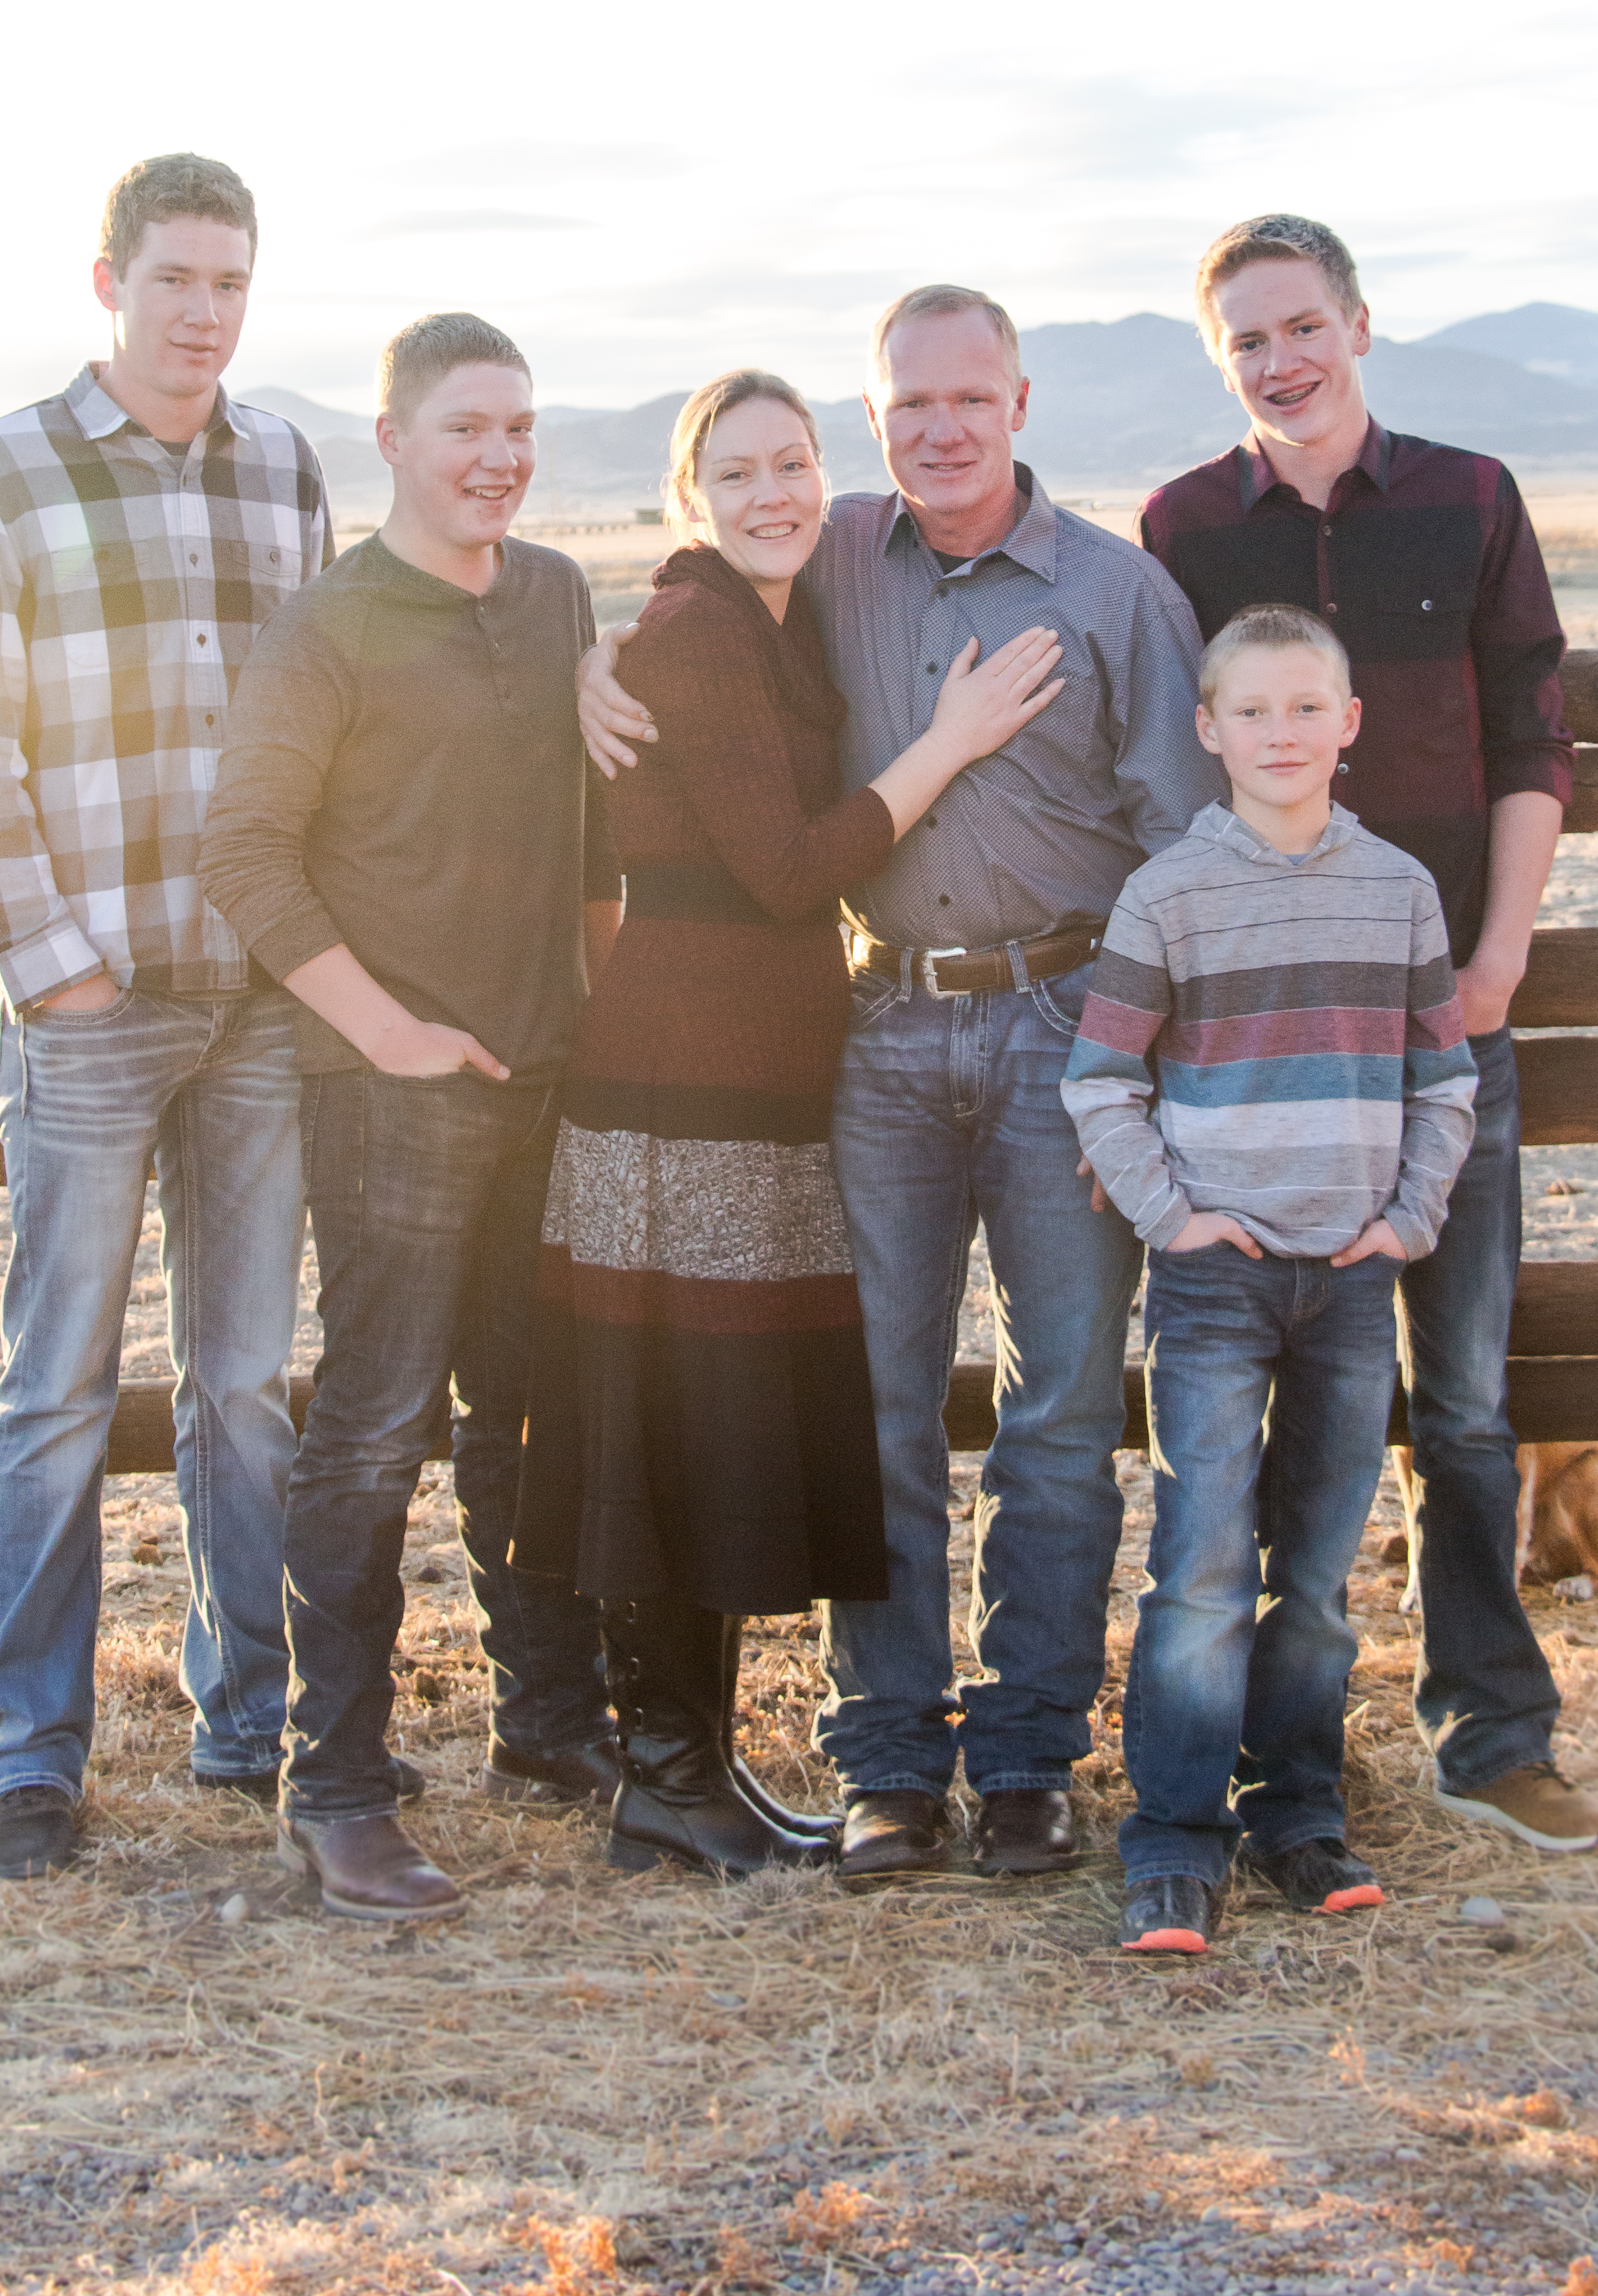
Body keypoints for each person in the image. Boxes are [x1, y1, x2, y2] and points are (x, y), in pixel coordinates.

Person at [580, 288, 1216, 1884]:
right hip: (883, 1028)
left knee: (1061, 1410)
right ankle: (887, 1763)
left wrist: (1136, 1066)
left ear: (1020, 403)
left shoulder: (1118, 592)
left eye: (970, 399)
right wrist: (596, 658)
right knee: (877, 1404)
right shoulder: (840, 552)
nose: (942, 429)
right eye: (910, 405)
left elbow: (1180, 849)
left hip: (1065, 1023)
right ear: (875, 423)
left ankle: (1027, 1760)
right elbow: (703, 588)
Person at [517, 368, 1067, 1882]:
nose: (772, 495)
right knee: (667, 1418)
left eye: (793, 465)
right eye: (737, 473)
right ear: (689, 496)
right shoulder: (699, 632)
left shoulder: (766, 619)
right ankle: (663, 1778)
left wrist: (601, 651)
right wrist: (951, 739)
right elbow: (785, 871)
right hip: (678, 1079)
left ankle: (696, 1769)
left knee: (704, 1418)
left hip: (746, 1078)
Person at [1136, 212, 1598, 1855]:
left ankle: (1491, 1739)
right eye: (1246, 340)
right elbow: (1174, 767)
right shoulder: (1186, 527)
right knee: (1274, 1409)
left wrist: (1496, 963)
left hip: (1446, 1032)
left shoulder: (1472, 499)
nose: (1280, 361)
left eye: (1302, 326)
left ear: (1359, 322)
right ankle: (1278, 1760)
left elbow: (1532, 738)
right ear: (1221, 360)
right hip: (1268, 1060)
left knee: (1462, 1400)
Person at [0, 151, 330, 1879]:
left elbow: (327, 724)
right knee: (58, 1388)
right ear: (111, 282)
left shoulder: (286, 465)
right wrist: (56, 968)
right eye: (176, 279)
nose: (204, 312)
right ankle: (31, 1754)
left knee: (245, 1384)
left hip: (256, 1001)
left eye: (230, 282)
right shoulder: (6, 469)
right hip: (91, 1006)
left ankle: (248, 1722)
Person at [198, 312, 622, 1923]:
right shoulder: (329, 628)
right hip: (391, 1095)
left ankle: (549, 1722)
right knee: (375, 1429)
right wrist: (390, 1034)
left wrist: (597, 1011)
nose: (499, 458)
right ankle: (338, 1790)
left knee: (531, 1412)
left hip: (544, 1079)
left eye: (518, 427)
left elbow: (588, 839)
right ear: (391, 440)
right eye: (466, 429)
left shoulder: (557, 593)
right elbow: (245, 852)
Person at [1062, 605, 1477, 1955]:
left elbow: (1445, 1081)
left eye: (1307, 709)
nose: (1281, 734)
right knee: (1199, 1567)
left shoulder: (1399, 889)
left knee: (1317, 1574)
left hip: (1350, 1277)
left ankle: (1298, 1814)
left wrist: (1408, 1220)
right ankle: (1173, 1840)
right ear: (1209, 730)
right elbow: (1101, 1080)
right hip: (1216, 1282)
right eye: (1253, 712)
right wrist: (1172, 1220)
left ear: (1349, 724)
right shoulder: (1168, 894)